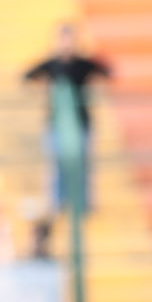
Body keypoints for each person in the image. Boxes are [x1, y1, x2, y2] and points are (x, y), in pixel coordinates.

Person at [23, 24, 112, 214]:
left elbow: (107, 72)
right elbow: (27, 76)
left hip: (81, 123)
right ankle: (58, 203)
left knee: (83, 164)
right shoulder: (51, 64)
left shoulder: (82, 63)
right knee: (57, 164)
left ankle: (83, 203)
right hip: (55, 123)